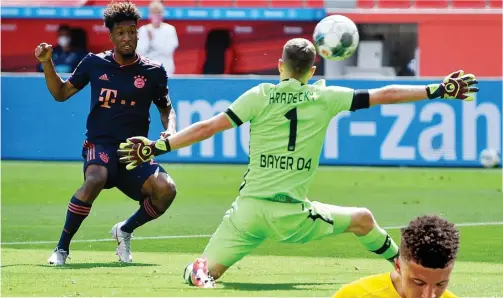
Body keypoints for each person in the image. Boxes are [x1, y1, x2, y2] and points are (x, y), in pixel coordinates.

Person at [117, 38, 478, 288]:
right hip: (291, 214)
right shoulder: (326, 97)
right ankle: (402, 269)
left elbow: (209, 127)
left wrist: (157, 147)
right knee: (364, 219)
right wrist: (438, 89)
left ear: (280, 66)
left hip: (246, 213)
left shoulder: (259, 95)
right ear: (313, 67)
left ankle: (198, 271)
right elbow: (385, 94)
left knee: (206, 270)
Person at [34, 1, 177, 266]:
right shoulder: (94, 63)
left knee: (166, 190)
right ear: (110, 36)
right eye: (120, 32)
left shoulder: (153, 71)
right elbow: (61, 94)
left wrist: (169, 130)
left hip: (133, 152)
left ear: (138, 32)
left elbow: (166, 109)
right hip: (100, 145)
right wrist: (47, 63)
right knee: (96, 178)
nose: (127, 37)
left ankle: (124, 230)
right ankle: (62, 249)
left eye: (131, 31)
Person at [333, 215, 459, 298]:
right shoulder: (355, 295)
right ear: (398, 266)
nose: (429, 295)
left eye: (441, 284)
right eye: (419, 282)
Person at [137, 0, 179, 76]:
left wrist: (153, 40)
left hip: (166, 70)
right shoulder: (143, 30)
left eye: (158, 13)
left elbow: (168, 50)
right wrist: (148, 41)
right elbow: (140, 52)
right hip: (147, 71)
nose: (156, 16)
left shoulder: (170, 29)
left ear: (162, 14)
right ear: (150, 15)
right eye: (154, 13)